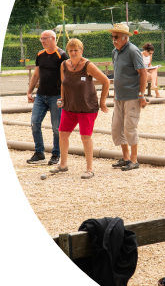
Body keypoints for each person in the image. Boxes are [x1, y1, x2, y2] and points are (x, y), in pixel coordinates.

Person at [51, 39, 110, 179]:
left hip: (87, 107)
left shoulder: (88, 65)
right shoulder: (64, 65)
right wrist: (62, 99)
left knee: (85, 137)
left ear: (81, 50)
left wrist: (102, 102)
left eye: (75, 50)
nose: (73, 53)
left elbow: (106, 81)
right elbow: (63, 84)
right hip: (69, 107)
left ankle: (89, 169)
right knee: (63, 134)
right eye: (70, 50)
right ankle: (63, 164)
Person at [109, 23, 148, 171]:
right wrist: (114, 92)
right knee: (117, 128)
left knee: (129, 128)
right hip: (119, 96)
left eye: (116, 37)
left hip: (132, 95)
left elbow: (143, 73)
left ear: (125, 38)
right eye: (112, 36)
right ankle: (125, 158)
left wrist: (141, 94)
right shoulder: (115, 51)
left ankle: (134, 160)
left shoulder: (133, 51)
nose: (114, 39)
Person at [26, 30, 69, 165]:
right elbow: (36, 74)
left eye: (44, 38)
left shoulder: (62, 55)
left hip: (55, 96)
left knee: (56, 127)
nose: (42, 41)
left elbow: (66, 78)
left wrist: (63, 97)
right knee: (34, 123)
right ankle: (39, 153)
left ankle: (56, 154)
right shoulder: (40, 54)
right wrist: (29, 91)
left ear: (53, 39)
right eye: (41, 39)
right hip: (40, 95)